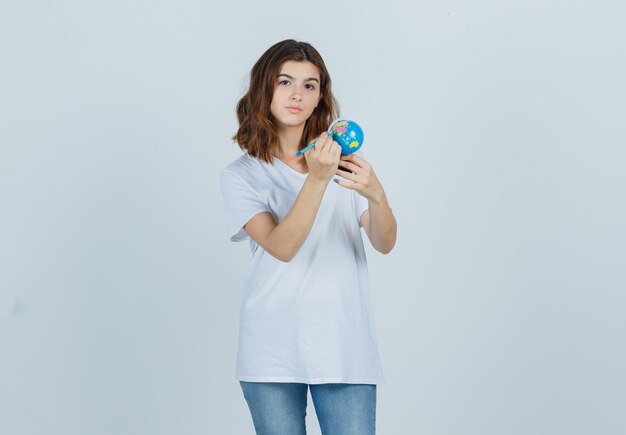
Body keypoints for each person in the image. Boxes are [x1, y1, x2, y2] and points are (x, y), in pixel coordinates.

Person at [220, 39, 397, 435]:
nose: (297, 94)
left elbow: (384, 242)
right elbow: (282, 246)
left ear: (320, 98)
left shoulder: (344, 161)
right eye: (285, 82)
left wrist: (376, 194)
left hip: (344, 342)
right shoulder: (241, 175)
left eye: (310, 85)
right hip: (271, 346)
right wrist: (317, 179)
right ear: (264, 89)